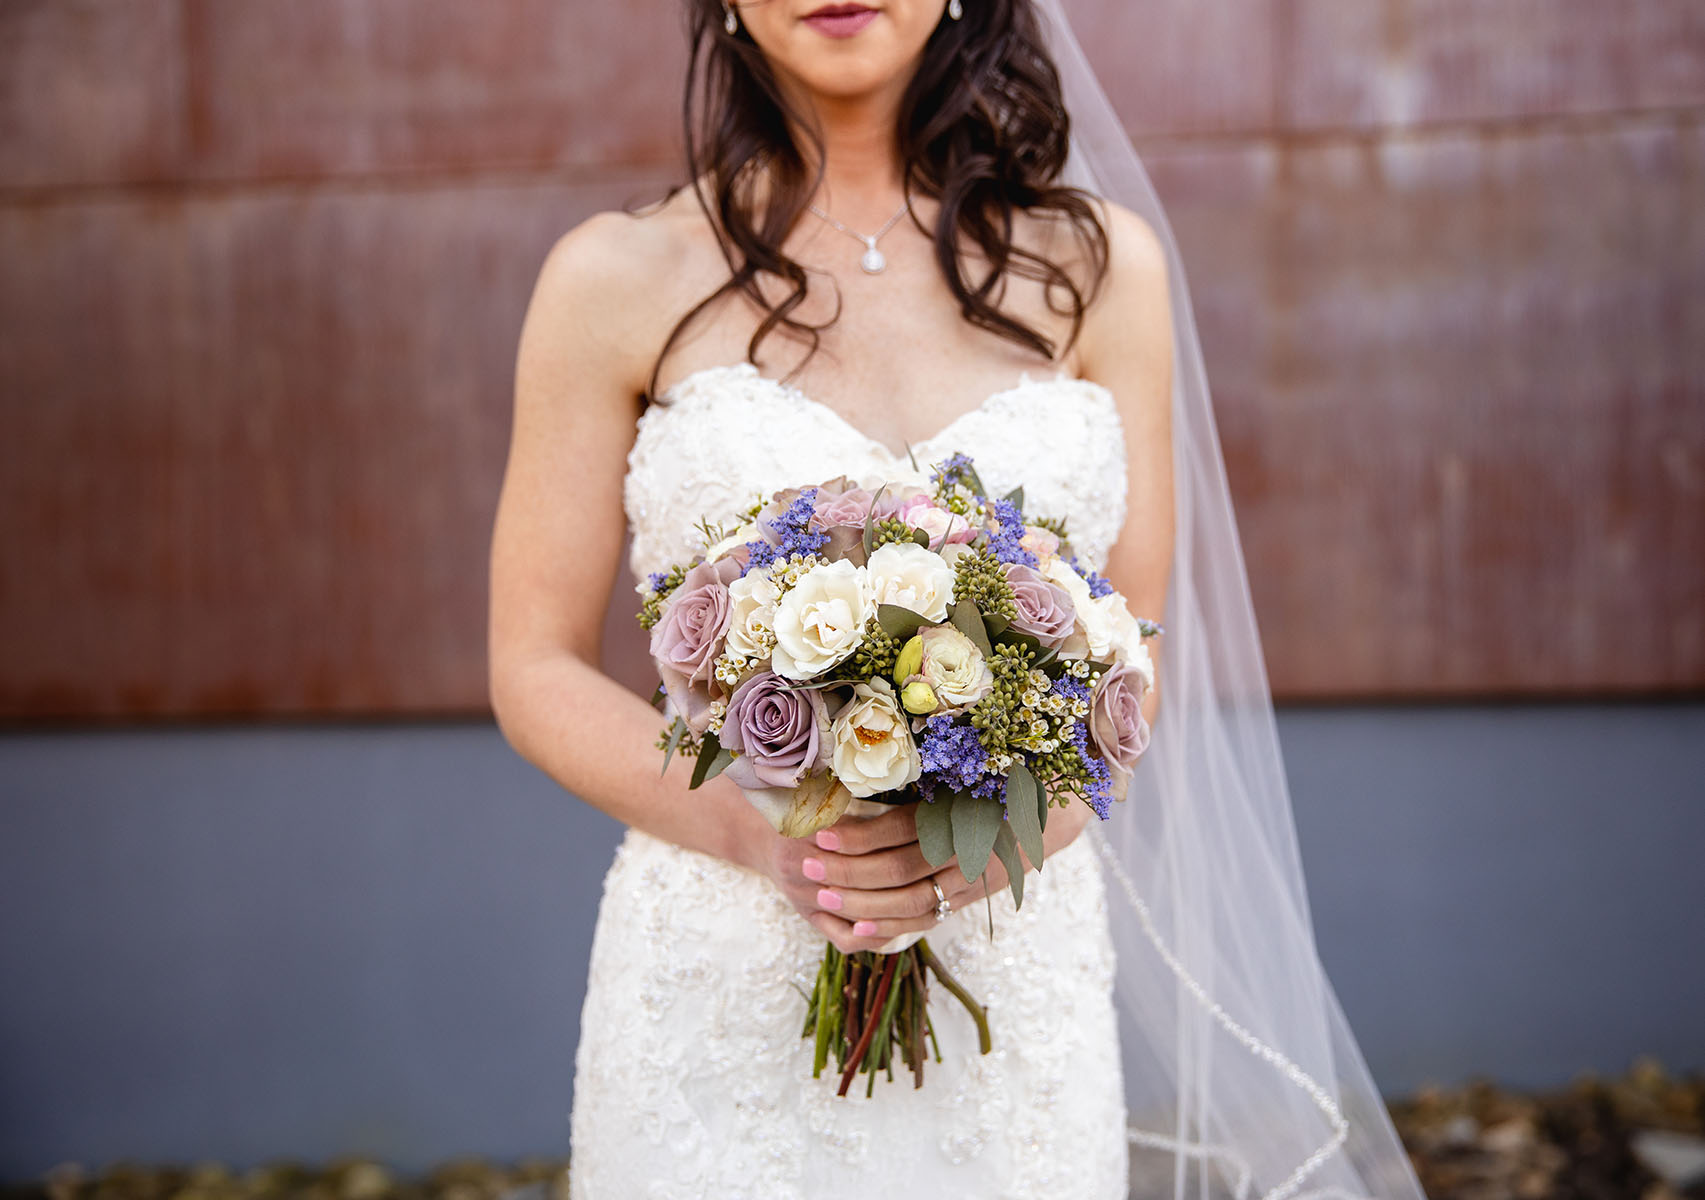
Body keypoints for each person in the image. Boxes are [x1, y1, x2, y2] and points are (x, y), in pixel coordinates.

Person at [489, 3, 1430, 1199]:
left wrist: (986, 849)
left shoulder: (1099, 269)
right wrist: (768, 833)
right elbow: (533, 664)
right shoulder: (612, 279)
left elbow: (1129, 654)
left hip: (1012, 955)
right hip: (717, 967)